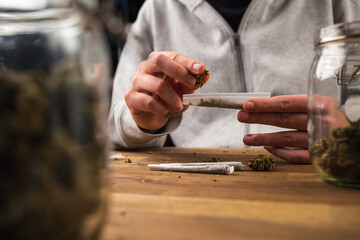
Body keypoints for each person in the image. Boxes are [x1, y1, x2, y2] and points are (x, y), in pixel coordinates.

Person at [108, 0, 360, 163]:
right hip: (198, 182)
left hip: (323, 172)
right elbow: (114, 129)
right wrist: (142, 122)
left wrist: (350, 133)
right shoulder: (157, 10)